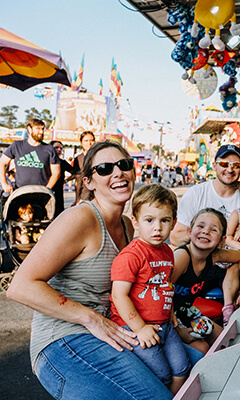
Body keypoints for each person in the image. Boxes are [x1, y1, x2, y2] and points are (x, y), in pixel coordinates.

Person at [6, 141, 174, 400]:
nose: (117, 173)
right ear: (89, 182)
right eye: (105, 169)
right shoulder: (80, 219)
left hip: (112, 331)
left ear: (133, 171)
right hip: (63, 341)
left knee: (195, 366)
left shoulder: (130, 226)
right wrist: (92, 319)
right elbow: (20, 287)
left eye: (124, 165)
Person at [110, 184, 190, 394]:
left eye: (164, 220)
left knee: (182, 367)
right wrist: (139, 328)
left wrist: (170, 310)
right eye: (149, 220)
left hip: (164, 324)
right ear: (135, 222)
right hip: (135, 327)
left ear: (173, 223)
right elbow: (119, 295)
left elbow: (166, 284)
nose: (157, 227)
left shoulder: (167, 252)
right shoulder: (132, 255)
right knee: (160, 373)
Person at [172, 208, 240, 331]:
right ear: (189, 231)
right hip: (167, 314)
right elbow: (162, 292)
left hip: (186, 310)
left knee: (223, 336)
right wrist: (179, 331)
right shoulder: (182, 257)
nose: (206, 231)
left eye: (214, 229)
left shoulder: (214, 256)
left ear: (222, 240)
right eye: (201, 226)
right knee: (203, 348)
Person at [170, 144, 240, 251]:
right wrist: (215, 237)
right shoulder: (195, 194)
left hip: (238, 262)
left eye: (236, 165)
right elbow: (176, 237)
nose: (230, 169)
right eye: (224, 164)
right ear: (214, 166)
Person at [0, 118, 60, 194]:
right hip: (19, 192)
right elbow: (2, 163)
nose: (41, 132)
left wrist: (46, 190)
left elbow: (56, 173)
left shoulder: (50, 149)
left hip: (40, 194)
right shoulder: (17, 145)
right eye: (38, 129)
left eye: (42, 129)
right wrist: (4, 184)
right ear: (29, 129)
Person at [70, 131, 96, 204]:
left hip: (97, 195)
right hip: (83, 196)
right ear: (81, 142)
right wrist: (77, 199)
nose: (89, 143)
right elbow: (77, 180)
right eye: (86, 141)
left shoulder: (99, 157)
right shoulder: (78, 159)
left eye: (91, 140)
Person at [50, 140, 73, 215]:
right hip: (46, 192)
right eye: (56, 147)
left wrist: (66, 180)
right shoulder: (44, 161)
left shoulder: (62, 162)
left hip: (58, 194)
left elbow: (76, 173)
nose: (59, 150)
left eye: (61, 148)